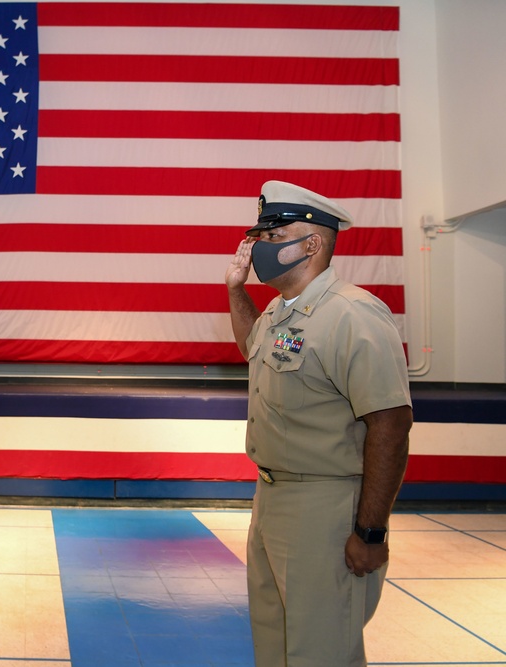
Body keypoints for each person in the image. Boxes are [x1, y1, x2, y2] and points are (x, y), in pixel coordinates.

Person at [225, 180, 413, 667]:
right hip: (272, 500)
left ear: (311, 243)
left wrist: (371, 531)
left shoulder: (352, 314)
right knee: (276, 645)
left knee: (322, 651)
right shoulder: (280, 311)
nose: (259, 246)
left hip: (325, 507)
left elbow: (389, 425)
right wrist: (235, 290)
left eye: (272, 235)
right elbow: (252, 349)